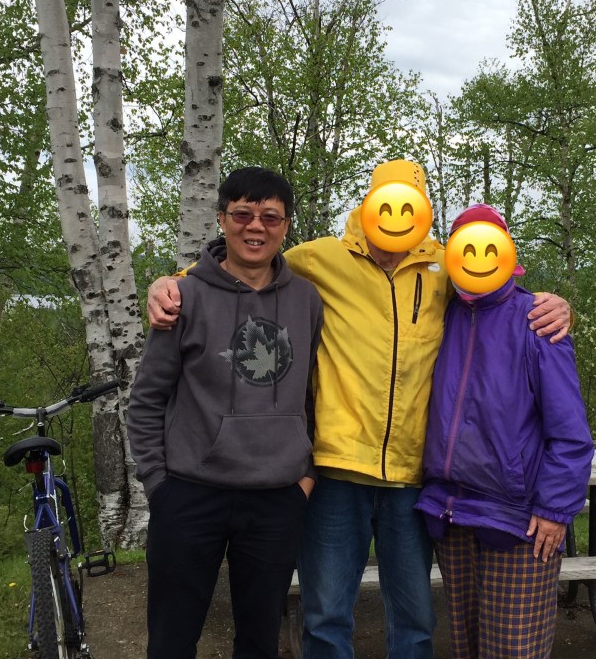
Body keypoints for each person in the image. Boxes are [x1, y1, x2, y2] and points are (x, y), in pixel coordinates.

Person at [147, 159, 573, 659]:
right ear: (369, 204)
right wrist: (171, 282)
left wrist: (552, 304)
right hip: (335, 473)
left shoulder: (443, 267)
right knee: (326, 617)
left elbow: (496, 292)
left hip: (410, 478)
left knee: (414, 621)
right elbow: (245, 263)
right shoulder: (321, 258)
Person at [127, 166, 323, 659]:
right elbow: (147, 399)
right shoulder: (182, 296)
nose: (255, 227)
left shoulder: (306, 300)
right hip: (190, 494)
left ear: (285, 225)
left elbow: (314, 394)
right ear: (221, 218)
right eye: (242, 214)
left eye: (270, 217)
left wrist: (306, 476)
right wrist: (158, 485)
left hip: (277, 499)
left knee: (259, 642)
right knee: (172, 642)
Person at [415, 204, 593, 659]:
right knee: (466, 647)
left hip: (519, 519)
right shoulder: (440, 315)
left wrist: (555, 508)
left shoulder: (537, 321)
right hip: (450, 512)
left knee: (514, 650)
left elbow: (570, 433)